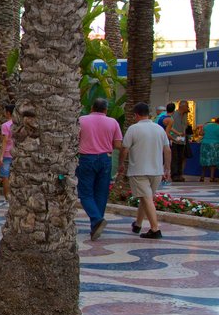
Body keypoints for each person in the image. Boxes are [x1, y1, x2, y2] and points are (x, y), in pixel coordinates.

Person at [118, 102, 171, 239]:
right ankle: (138, 224)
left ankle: (155, 229)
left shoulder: (133, 129)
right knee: (146, 198)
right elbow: (167, 149)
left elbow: (125, 148)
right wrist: (167, 168)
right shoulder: (159, 129)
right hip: (156, 171)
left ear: (136, 115)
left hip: (139, 170)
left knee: (146, 199)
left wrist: (121, 164)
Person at [77, 98, 124, 240]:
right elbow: (117, 144)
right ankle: (96, 223)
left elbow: (74, 139)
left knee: (85, 193)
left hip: (86, 158)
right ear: (106, 109)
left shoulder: (81, 120)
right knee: (101, 192)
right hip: (105, 158)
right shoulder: (113, 122)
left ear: (92, 108)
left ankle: (96, 220)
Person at [166, 100, 190, 182]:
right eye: (187, 106)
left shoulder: (185, 116)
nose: (188, 108)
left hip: (182, 140)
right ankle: (174, 175)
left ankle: (180, 174)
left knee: (181, 157)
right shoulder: (174, 115)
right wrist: (175, 135)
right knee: (175, 157)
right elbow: (170, 127)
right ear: (182, 106)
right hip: (175, 139)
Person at [0, 104, 16, 200]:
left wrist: (0, 156)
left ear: (8, 113)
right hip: (16, 153)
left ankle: (7, 197)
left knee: (5, 176)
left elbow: (5, 141)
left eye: (5, 112)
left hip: (7, 153)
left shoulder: (5, 125)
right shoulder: (18, 124)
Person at [199, 116, 219, 183]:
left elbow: (201, 133)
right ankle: (211, 178)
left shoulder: (206, 125)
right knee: (213, 161)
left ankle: (202, 177)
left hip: (204, 143)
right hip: (214, 144)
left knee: (204, 160)